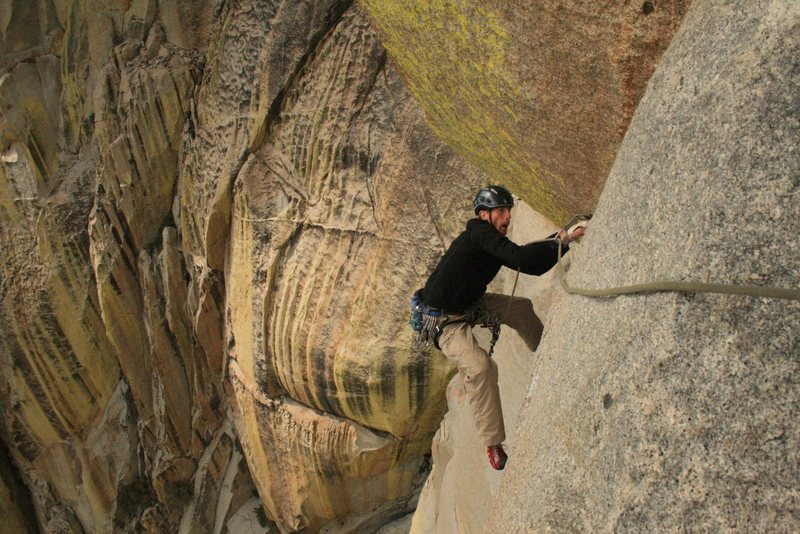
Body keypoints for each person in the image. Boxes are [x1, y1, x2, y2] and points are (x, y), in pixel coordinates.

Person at [416, 185, 586, 470]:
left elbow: (527, 258)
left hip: (470, 303)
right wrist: (564, 240)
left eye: (509, 210)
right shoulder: (481, 234)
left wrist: (562, 239)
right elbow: (523, 261)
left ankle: (546, 352)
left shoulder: (489, 238)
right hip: (444, 322)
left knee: (520, 308)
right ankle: (493, 443)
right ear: (484, 214)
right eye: (501, 211)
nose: (508, 216)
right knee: (480, 367)